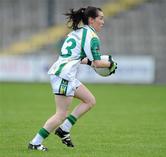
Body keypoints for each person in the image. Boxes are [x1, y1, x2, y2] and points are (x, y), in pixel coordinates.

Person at [28, 6, 117, 151]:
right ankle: (35, 143)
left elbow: (78, 58)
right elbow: (97, 63)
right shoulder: (92, 37)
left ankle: (64, 129)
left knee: (89, 101)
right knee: (61, 114)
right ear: (91, 20)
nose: (103, 21)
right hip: (64, 75)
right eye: (100, 18)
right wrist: (112, 64)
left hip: (64, 73)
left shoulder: (77, 32)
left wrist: (101, 63)